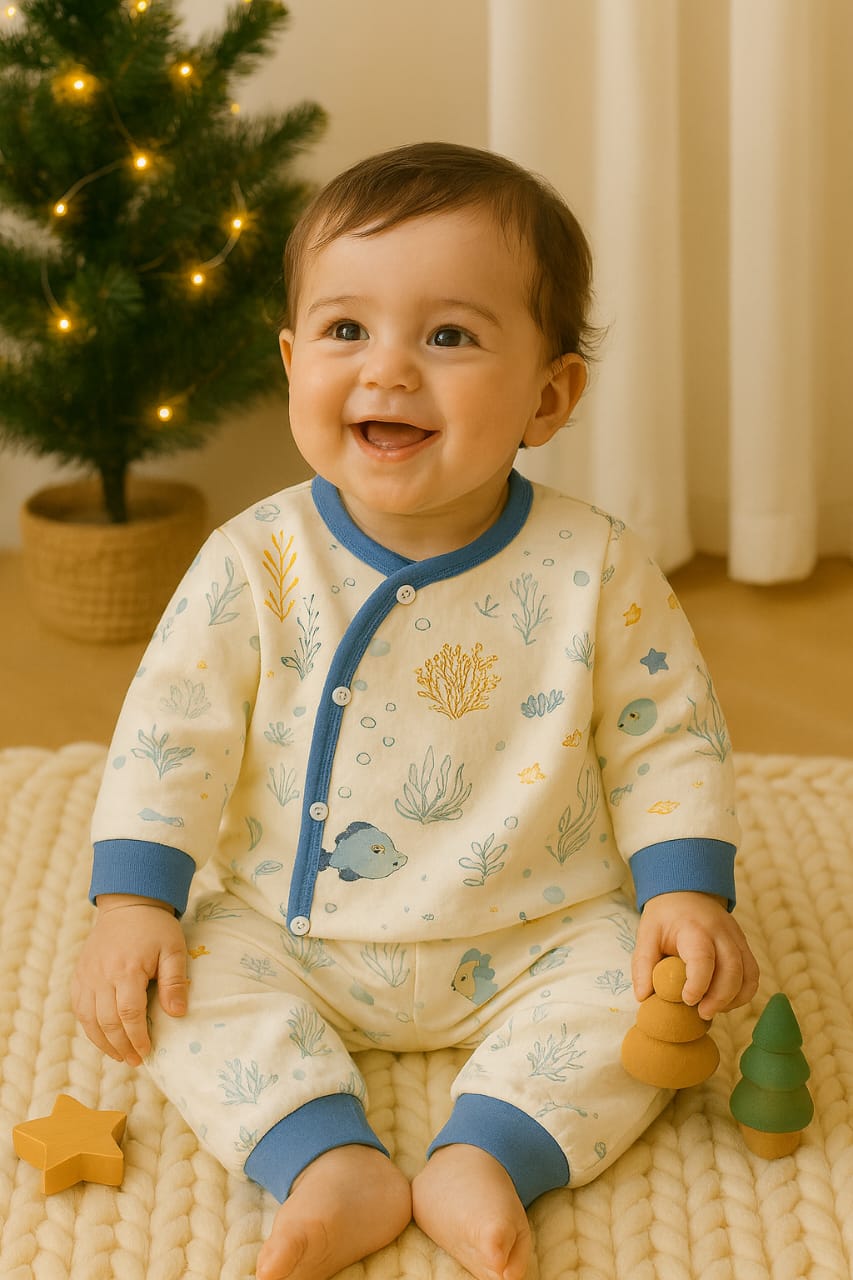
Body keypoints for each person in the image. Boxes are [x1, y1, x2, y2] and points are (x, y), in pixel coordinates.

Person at [73, 142, 759, 1280]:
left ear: (549, 395)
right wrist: (131, 900)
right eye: (346, 329)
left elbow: (666, 735)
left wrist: (684, 891)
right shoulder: (255, 559)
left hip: (540, 929)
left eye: (448, 336)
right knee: (179, 990)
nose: (387, 369)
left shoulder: (594, 565)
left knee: (644, 1001)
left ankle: (489, 1150)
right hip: (292, 932)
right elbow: (170, 732)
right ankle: (322, 1156)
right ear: (292, 360)